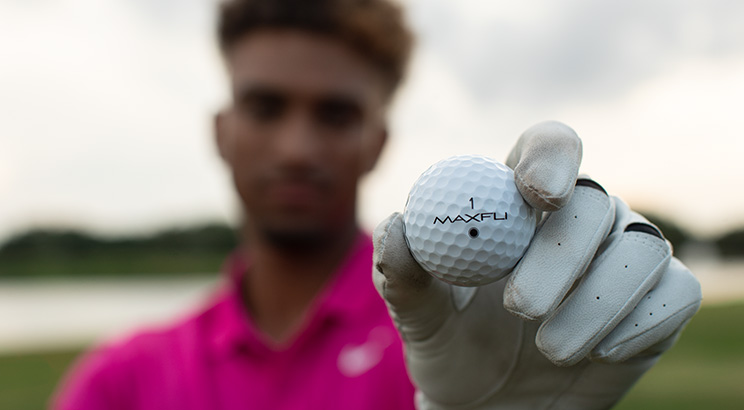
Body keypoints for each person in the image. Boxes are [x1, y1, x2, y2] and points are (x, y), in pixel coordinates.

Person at [53, 0, 702, 409]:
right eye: (265, 107)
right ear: (221, 131)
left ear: (377, 142)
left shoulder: (481, 333)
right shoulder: (118, 384)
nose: (298, 147)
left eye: (335, 114)